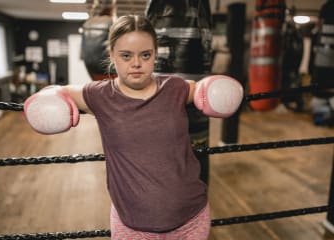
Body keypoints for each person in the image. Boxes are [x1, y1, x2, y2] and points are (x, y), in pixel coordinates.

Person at [24, 15, 243, 239]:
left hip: (191, 217)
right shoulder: (99, 95)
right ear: (112, 55)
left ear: (155, 54)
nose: (136, 64)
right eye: (126, 55)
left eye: (145, 55)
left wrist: (214, 90)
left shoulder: (174, 88)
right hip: (133, 226)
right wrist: (51, 95)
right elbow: (61, 90)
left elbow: (202, 89)